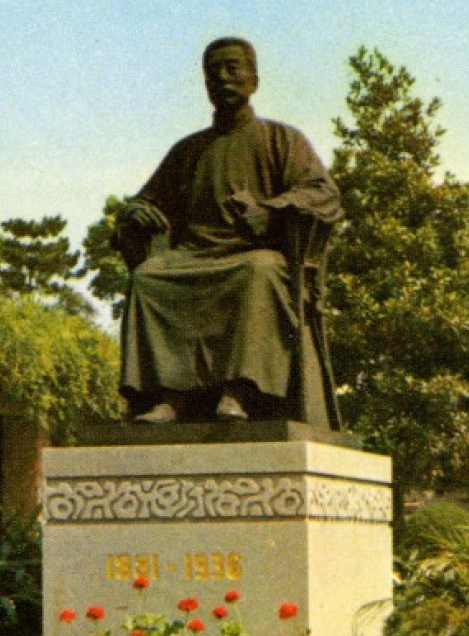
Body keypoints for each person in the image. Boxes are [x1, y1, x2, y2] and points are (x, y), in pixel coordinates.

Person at [114, 37, 344, 425]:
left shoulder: (283, 140)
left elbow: (323, 194)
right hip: (194, 257)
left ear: (254, 80)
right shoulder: (188, 150)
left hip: (254, 255)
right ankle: (170, 398)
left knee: (258, 271)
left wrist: (270, 212)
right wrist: (138, 213)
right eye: (213, 72)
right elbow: (146, 199)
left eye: (232, 68)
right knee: (148, 278)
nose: (222, 77)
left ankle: (239, 392)